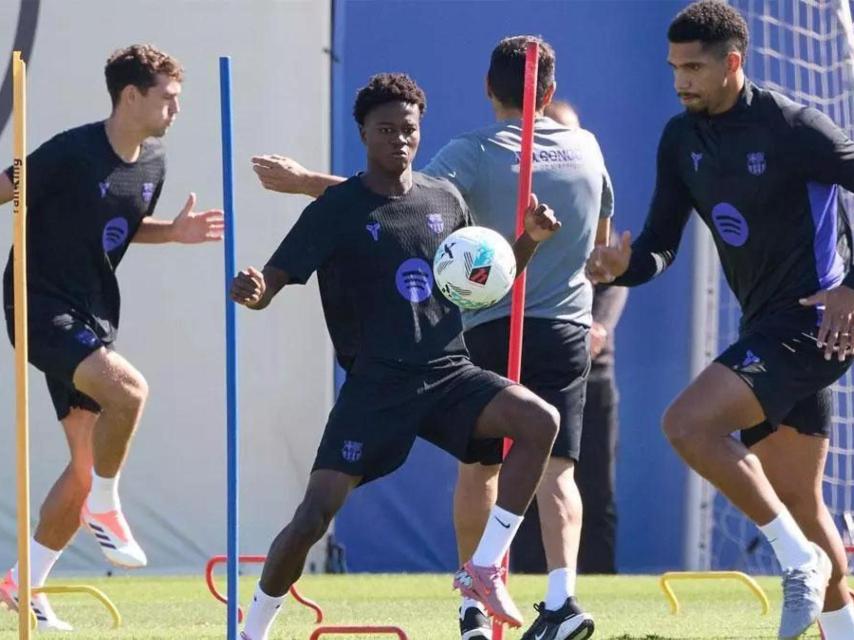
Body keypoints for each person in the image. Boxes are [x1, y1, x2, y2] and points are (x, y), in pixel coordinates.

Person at [249, 37, 612, 640]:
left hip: (448, 372)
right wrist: (255, 287)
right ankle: (254, 624)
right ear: (364, 133)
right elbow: (275, 279)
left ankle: (487, 566)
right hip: (377, 384)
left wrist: (526, 242)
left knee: (539, 421)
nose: (400, 139)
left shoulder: (445, 198)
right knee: (314, 515)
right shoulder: (338, 207)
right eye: (386, 129)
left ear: (422, 130)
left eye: (409, 129)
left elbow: (482, 286)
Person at [586, 2, 854, 638]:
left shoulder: (794, 126)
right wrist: (619, 268)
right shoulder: (681, 139)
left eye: (694, 67)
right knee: (799, 502)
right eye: (674, 67)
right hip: (764, 328)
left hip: (816, 326)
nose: (680, 80)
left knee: (686, 423)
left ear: (733, 62)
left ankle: (797, 565)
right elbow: (660, 245)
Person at [0, 44, 224, 630]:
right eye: (167, 98)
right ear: (131, 97)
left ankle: (23, 584)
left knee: (81, 466)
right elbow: (3, 188)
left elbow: (119, 227)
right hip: (38, 305)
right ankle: (108, 505)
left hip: (94, 314)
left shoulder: (154, 162)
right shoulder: (69, 152)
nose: (176, 109)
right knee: (130, 391)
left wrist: (172, 232)